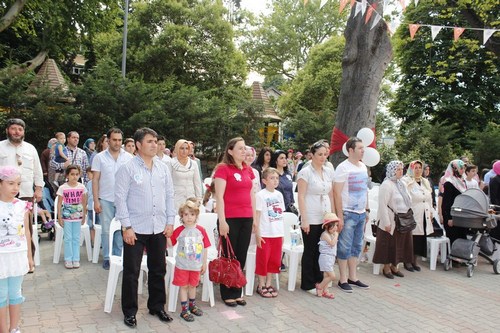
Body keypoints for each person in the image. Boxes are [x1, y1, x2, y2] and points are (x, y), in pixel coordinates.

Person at [115, 127, 175, 328]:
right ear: (138, 145)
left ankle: (157, 306)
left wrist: (170, 221)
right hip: (136, 228)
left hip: (158, 227)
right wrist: (127, 226)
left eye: (156, 141)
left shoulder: (162, 168)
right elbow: (120, 199)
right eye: (150, 141)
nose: (154, 144)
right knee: (132, 272)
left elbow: (169, 196)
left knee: (158, 269)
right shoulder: (127, 168)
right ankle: (130, 311)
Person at [213, 137, 255, 307]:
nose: (244, 151)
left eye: (245, 148)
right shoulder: (223, 169)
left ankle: (237, 290)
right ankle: (227, 292)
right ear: (230, 151)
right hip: (229, 218)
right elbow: (220, 197)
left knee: (241, 256)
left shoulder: (248, 170)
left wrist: (255, 219)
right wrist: (222, 221)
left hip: (246, 217)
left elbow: (252, 194)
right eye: (240, 148)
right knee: (229, 256)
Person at [333, 137, 370, 293]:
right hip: (348, 213)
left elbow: (365, 190)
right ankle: (342, 279)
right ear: (350, 150)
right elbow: (337, 193)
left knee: (356, 246)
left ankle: (353, 277)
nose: (363, 150)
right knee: (344, 247)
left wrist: (367, 209)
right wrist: (339, 216)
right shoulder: (343, 168)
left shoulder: (363, 167)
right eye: (360, 148)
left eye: (363, 148)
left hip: (361, 213)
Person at [91, 128, 132, 270]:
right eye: (114, 140)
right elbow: (95, 180)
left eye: (120, 140)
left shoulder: (128, 157)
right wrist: (96, 200)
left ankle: (118, 256)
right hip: (105, 199)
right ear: (108, 140)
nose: (117, 143)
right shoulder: (99, 157)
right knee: (106, 230)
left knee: (122, 229)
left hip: (123, 200)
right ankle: (107, 257)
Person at [297, 141, 334, 293]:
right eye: (320, 154)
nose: (323, 157)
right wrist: (304, 219)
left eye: (325, 154)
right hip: (311, 214)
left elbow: (330, 194)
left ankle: (319, 279)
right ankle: (308, 283)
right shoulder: (305, 172)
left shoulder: (327, 171)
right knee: (310, 249)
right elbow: (301, 196)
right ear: (312, 155)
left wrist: (333, 216)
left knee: (322, 249)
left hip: (324, 214)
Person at [0, 166, 34, 333]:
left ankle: (14, 328)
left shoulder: (22, 205)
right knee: (1, 295)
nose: (15, 188)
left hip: (17, 256)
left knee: (15, 293)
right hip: (1, 257)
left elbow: (26, 231)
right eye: (10, 183)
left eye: (18, 184)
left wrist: (29, 257)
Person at [170, 200, 210, 322]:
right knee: (184, 287)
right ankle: (184, 309)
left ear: (196, 216)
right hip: (182, 265)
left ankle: (192, 306)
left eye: (192, 214)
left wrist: (204, 263)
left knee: (193, 286)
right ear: (181, 216)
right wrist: (166, 234)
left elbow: (205, 247)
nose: (189, 217)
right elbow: (170, 243)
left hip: (196, 265)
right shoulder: (179, 230)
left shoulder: (201, 230)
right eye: (186, 214)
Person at [373, 161, 413, 279]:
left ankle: (395, 266)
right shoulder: (387, 184)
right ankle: (386, 267)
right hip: (391, 220)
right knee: (389, 244)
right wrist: (386, 222)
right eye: (398, 169)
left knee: (400, 244)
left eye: (402, 169)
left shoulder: (401, 184)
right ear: (392, 171)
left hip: (403, 220)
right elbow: (383, 204)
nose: (401, 171)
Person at [254, 168, 284, 298]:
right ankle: (260, 285)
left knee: (274, 260)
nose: (275, 180)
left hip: (277, 233)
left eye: (277, 178)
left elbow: (280, 215)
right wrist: (258, 233)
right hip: (265, 233)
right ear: (264, 181)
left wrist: (282, 234)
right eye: (272, 178)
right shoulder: (260, 195)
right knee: (263, 260)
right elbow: (257, 216)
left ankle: (268, 283)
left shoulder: (279, 195)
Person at [0, 118, 44, 202]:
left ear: (23, 132)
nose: (17, 132)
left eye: (20, 129)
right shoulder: (0, 147)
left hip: (26, 194)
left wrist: (39, 189)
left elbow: (37, 171)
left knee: (25, 215)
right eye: (13, 129)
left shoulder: (30, 148)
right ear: (7, 130)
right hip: (3, 194)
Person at [402, 160, 433, 272]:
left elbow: (429, 198)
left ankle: (415, 260)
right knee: (411, 238)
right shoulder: (406, 181)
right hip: (413, 213)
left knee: (420, 238)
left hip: (424, 214)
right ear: (411, 168)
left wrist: (431, 212)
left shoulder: (425, 181)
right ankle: (407, 261)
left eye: (420, 167)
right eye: (415, 167)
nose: (418, 170)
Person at [56, 165, 87, 269]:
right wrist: (59, 217)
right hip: (67, 217)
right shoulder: (63, 188)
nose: (74, 176)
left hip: (78, 217)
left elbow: (84, 203)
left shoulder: (82, 187)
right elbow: (59, 203)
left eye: (77, 174)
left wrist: (84, 216)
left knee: (76, 238)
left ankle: (76, 258)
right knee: (68, 238)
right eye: (72, 174)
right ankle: (68, 259)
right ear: (67, 175)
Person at [440, 159, 468, 246]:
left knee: (462, 239)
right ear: (454, 169)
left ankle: (461, 258)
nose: (463, 170)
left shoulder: (462, 182)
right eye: (461, 168)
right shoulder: (449, 183)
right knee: (454, 241)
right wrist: (449, 218)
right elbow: (446, 203)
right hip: (452, 217)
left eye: (463, 168)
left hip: (461, 216)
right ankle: (453, 260)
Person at [169, 139, 202, 210]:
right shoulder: (171, 163)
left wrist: (199, 198)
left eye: (186, 148)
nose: (184, 151)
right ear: (177, 149)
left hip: (191, 199)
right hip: (176, 199)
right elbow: (168, 183)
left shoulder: (193, 163)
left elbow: (197, 183)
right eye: (182, 148)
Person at [316, 212, 339, 299]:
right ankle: (320, 286)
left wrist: (335, 234)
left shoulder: (331, 234)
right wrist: (336, 235)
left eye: (336, 225)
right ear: (326, 226)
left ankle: (325, 291)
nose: (335, 228)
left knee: (326, 275)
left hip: (330, 257)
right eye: (333, 226)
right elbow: (332, 243)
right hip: (325, 257)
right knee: (332, 276)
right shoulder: (325, 234)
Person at [85, 167, 99, 244]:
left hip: (97, 208)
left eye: (88, 174)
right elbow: (87, 195)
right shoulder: (88, 183)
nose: (87, 176)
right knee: (90, 225)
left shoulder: (99, 182)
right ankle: (93, 241)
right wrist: (86, 205)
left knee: (98, 224)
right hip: (90, 207)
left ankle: (98, 241)